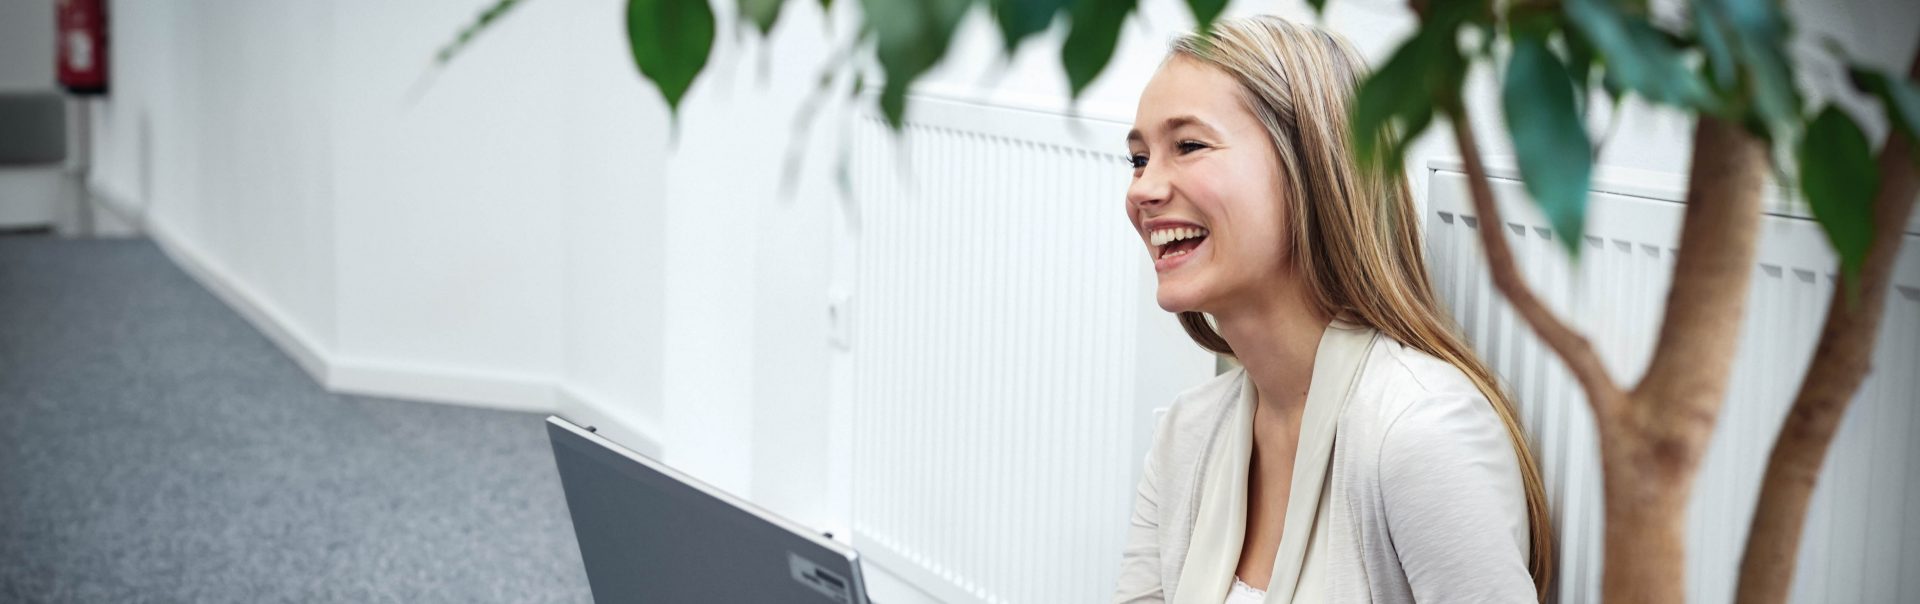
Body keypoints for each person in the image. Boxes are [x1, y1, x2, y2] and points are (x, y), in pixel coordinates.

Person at [1111, 15, 1552, 604]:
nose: (1142, 189)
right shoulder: (1184, 436)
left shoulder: (1420, 434)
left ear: (1313, 168)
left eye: (1188, 145)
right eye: (1139, 159)